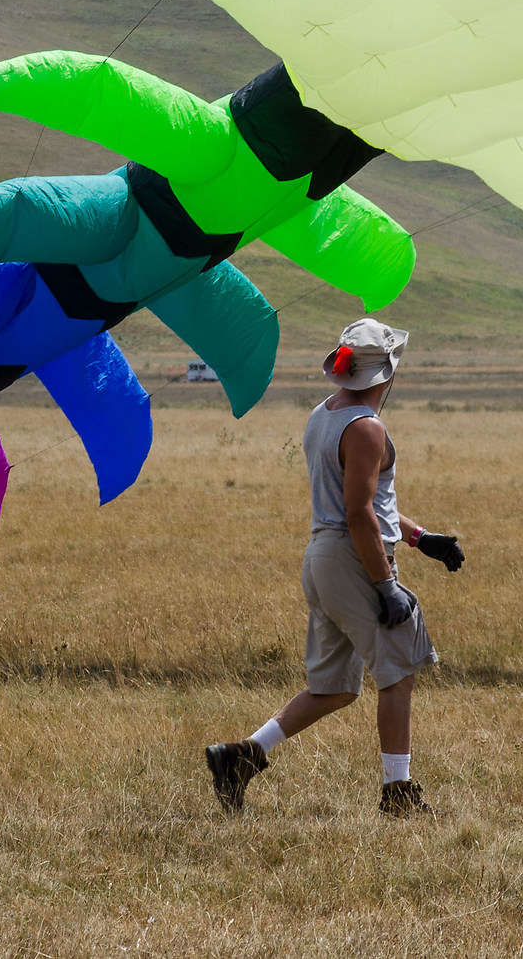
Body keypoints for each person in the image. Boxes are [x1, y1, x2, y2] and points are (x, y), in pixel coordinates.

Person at [205, 318, 463, 817]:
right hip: (354, 559)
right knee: (398, 673)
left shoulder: (324, 414)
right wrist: (386, 584)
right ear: (385, 373)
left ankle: (240, 757)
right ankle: (398, 795)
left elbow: (365, 504)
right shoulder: (366, 427)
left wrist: (420, 537)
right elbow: (359, 512)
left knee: (335, 688)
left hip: (323, 558)